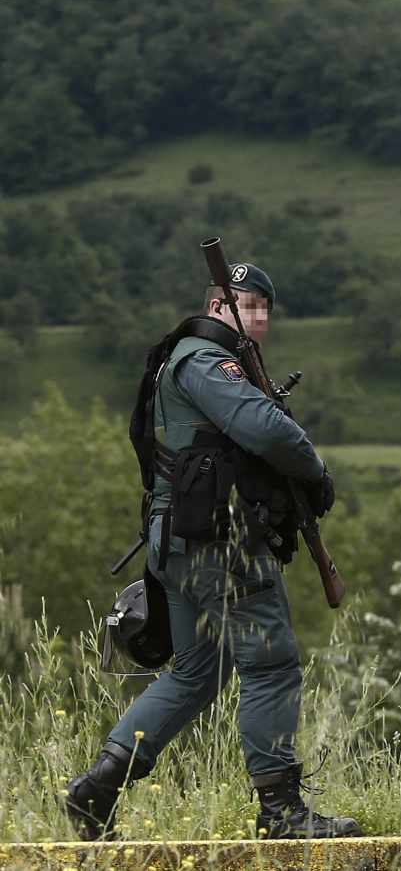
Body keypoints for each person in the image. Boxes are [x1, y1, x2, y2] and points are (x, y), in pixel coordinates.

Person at [64, 263, 360, 842]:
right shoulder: (205, 359)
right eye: (248, 307)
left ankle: (97, 790)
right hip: (220, 544)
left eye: (265, 309)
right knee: (271, 665)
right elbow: (266, 430)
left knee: (198, 672)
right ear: (219, 308)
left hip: (180, 543)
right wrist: (314, 468)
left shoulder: (189, 360)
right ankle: (281, 812)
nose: (260, 319)